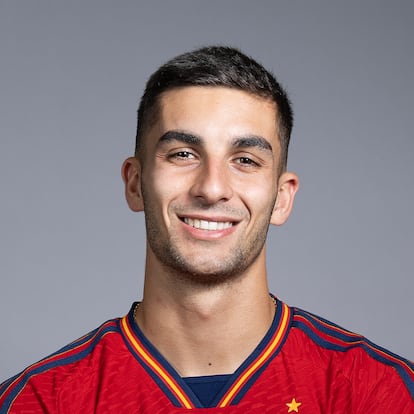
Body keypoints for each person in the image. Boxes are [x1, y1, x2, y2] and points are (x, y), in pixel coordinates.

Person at [0, 46, 412, 413]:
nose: (212, 188)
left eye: (246, 160)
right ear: (134, 183)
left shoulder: (379, 391)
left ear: (282, 197)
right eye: (182, 154)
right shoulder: (40, 400)